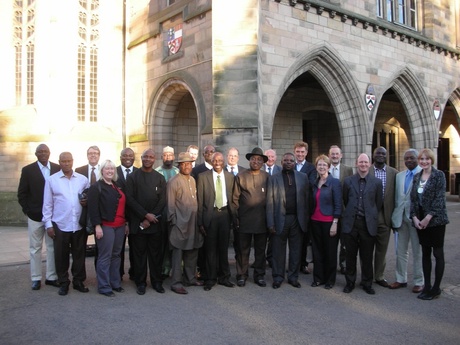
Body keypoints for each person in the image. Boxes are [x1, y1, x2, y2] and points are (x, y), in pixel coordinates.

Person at [42, 152, 90, 296]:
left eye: (69, 161)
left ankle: (78, 281)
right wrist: (48, 225)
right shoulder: (52, 180)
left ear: (72, 161)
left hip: (78, 224)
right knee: (61, 256)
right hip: (60, 223)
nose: (66, 163)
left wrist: (86, 202)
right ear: (59, 162)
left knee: (79, 255)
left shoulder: (82, 180)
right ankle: (63, 282)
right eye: (63, 161)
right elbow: (47, 204)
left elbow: (88, 198)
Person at [17, 144, 60, 290]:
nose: (43, 154)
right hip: (35, 216)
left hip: (53, 217)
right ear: (36, 154)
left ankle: (51, 276)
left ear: (49, 153)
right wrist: (28, 210)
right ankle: (36, 278)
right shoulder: (28, 170)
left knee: (51, 247)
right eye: (40, 151)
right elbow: (22, 194)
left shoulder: (57, 168)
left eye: (45, 151)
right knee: (35, 248)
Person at [125, 148, 166, 295]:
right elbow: (129, 199)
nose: (148, 159)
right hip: (138, 224)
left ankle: (156, 282)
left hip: (154, 224)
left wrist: (151, 216)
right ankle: (140, 282)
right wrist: (144, 215)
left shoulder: (159, 178)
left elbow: (162, 200)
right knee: (139, 256)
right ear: (141, 158)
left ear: (155, 159)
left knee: (156, 256)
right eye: (145, 157)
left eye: (150, 157)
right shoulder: (133, 177)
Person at [266, 152, 310, 289]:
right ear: (282, 162)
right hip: (280, 219)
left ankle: (293, 277)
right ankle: (278, 277)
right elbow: (269, 202)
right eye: (286, 160)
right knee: (278, 250)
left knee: (296, 250)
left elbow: (307, 200)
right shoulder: (274, 178)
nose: (288, 162)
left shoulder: (303, 177)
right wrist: (270, 223)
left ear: (294, 162)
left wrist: (305, 220)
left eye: (291, 160)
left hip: (297, 219)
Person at [410, 148, 449, 300]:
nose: (424, 162)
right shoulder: (417, 176)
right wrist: (414, 218)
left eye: (427, 159)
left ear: (432, 160)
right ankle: (426, 286)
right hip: (420, 222)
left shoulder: (439, 176)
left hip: (436, 222)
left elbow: (439, 200)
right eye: (421, 159)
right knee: (425, 254)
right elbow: (412, 200)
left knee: (437, 253)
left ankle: (436, 288)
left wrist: (427, 218)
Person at [342, 153, 382, 295]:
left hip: (367, 225)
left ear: (369, 164)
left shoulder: (376, 182)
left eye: (366, 162)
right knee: (350, 256)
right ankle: (350, 282)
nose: (363, 165)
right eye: (361, 162)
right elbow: (346, 200)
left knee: (366, 256)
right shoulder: (348, 181)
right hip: (351, 224)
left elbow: (377, 203)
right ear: (356, 163)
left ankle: (367, 283)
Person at [87, 160, 128, 297]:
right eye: (107, 168)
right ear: (102, 171)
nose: (110, 171)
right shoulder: (96, 187)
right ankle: (104, 286)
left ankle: (115, 283)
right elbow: (93, 209)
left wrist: (126, 223)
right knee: (105, 256)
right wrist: (97, 226)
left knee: (116, 256)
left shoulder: (117, 186)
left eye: (112, 168)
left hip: (120, 226)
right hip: (106, 226)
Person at [197, 152, 236, 291]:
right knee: (210, 249)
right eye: (215, 160)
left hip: (225, 214)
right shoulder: (203, 177)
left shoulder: (230, 177)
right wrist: (200, 222)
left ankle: (224, 277)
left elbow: (232, 198)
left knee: (223, 248)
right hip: (210, 216)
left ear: (224, 161)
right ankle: (210, 278)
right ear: (211, 161)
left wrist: (234, 217)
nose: (218, 162)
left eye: (220, 160)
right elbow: (200, 201)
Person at [167, 152, 204, 294]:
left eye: (189, 163)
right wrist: (174, 222)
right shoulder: (173, 182)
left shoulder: (193, 180)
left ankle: (190, 278)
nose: (187, 166)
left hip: (193, 222)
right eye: (184, 164)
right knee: (178, 253)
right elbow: (170, 205)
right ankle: (176, 282)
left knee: (192, 251)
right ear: (179, 166)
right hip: (179, 224)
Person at [232, 147, 269, 287]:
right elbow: (235, 199)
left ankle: (259, 275)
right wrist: (236, 218)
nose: (256, 161)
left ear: (262, 162)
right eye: (253, 158)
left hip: (262, 220)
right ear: (249, 160)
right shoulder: (240, 176)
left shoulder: (267, 177)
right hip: (244, 221)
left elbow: (271, 199)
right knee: (243, 250)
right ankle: (241, 275)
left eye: (259, 159)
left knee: (260, 250)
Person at [389, 149, 424, 293]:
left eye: (412, 158)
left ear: (417, 158)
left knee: (417, 251)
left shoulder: (423, 174)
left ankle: (418, 281)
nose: (409, 160)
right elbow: (397, 197)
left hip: (417, 220)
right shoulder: (399, 176)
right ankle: (400, 279)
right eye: (406, 158)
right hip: (400, 218)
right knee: (401, 251)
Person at [310, 155, 342, 289]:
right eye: (319, 165)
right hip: (314, 221)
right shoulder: (314, 181)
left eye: (324, 165)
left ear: (328, 167)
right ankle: (318, 278)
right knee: (317, 251)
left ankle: (330, 280)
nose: (321, 167)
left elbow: (338, 204)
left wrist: (335, 222)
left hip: (329, 222)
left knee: (330, 252)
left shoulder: (334, 182)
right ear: (316, 167)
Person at [369, 146, 398, 288]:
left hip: (385, 217)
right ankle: (367, 275)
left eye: (383, 153)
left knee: (381, 249)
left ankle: (379, 276)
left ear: (386, 156)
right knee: (367, 248)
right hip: (368, 217)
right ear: (373, 155)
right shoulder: (366, 170)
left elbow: (397, 197)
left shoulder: (394, 173)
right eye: (377, 153)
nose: (380, 155)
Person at [328, 145, 353, 274]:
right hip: (328, 211)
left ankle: (343, 264)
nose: (335, 156)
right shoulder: (324, 169)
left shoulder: (348, 170)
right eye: (332, 154)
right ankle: (329, 263)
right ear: (329, 155)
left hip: (344, 211)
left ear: (341, 155)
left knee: (344, 241)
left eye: (337, 154)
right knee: (330, 240)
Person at [155, 146, 179, 280]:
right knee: (162, 243)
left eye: (170, 155)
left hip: (176, 212)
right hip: (161, 212)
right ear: (162, 157)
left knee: (174, 242)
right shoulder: (157, 172)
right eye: (165, 155)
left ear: (173, 157)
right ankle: (163, 269)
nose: (168, 157)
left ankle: (175, 270)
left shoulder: (178, 171)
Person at [294, 141, 316, 275]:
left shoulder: (311, 168)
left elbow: (311, 184)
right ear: (294, 152)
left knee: (304, 239)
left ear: (306, 153)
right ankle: (294, 264)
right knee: (293, 239)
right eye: (298, 152)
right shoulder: (290, 165)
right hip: (291, 209)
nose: (300, 154)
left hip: (305, 209)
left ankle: (303, 263)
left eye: (302, 152)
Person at [116, 148, 138, 280]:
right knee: (118, 249)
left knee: (135, 249)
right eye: (125, 155)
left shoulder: (138, 173)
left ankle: (135, 273)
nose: (128, 158)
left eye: (131, 155)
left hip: (135, 217)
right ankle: (118, 274)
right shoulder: (114, 172)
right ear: (120, 157)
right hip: (118, 218)